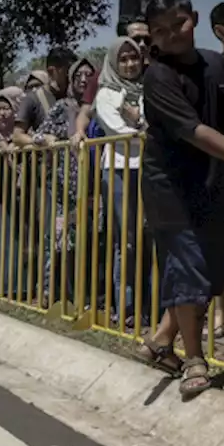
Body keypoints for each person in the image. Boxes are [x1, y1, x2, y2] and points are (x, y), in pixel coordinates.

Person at [134, 0, 224, 398]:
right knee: (187, 273)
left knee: (216, 276)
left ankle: (161, 338)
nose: (171, 35)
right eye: (159, 31)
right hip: (171, 190)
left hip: (212, 184)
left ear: (193, 18)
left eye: (177, 24)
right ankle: (194, 358)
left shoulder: (216, 65)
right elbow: (195, 132)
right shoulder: (158, 77)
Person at [93, 37, 149, 326]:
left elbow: (151, 126)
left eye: (134, 58)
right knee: (125, 240)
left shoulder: (147, 90)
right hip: (118, 169)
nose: (129, 65)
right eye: (123, 59)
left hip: (147, 168)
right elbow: (116, 128)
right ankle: (125, 306)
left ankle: (149, 303)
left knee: (147, 236)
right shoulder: (106, 93)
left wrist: (137, 122)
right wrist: (140, 126)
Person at [74, 18, 151, 143]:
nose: (142, 44)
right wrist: (80, 132)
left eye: (147, 40)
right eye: (136, 40)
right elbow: (85, 113)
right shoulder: (104, 79)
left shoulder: (154, 75)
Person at [14, 48, 75, 146]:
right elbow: (17, 136)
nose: (71, 76)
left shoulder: (74, 98)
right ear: (51, 71)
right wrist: (40, 139)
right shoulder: (33, 98)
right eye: (67, 71)